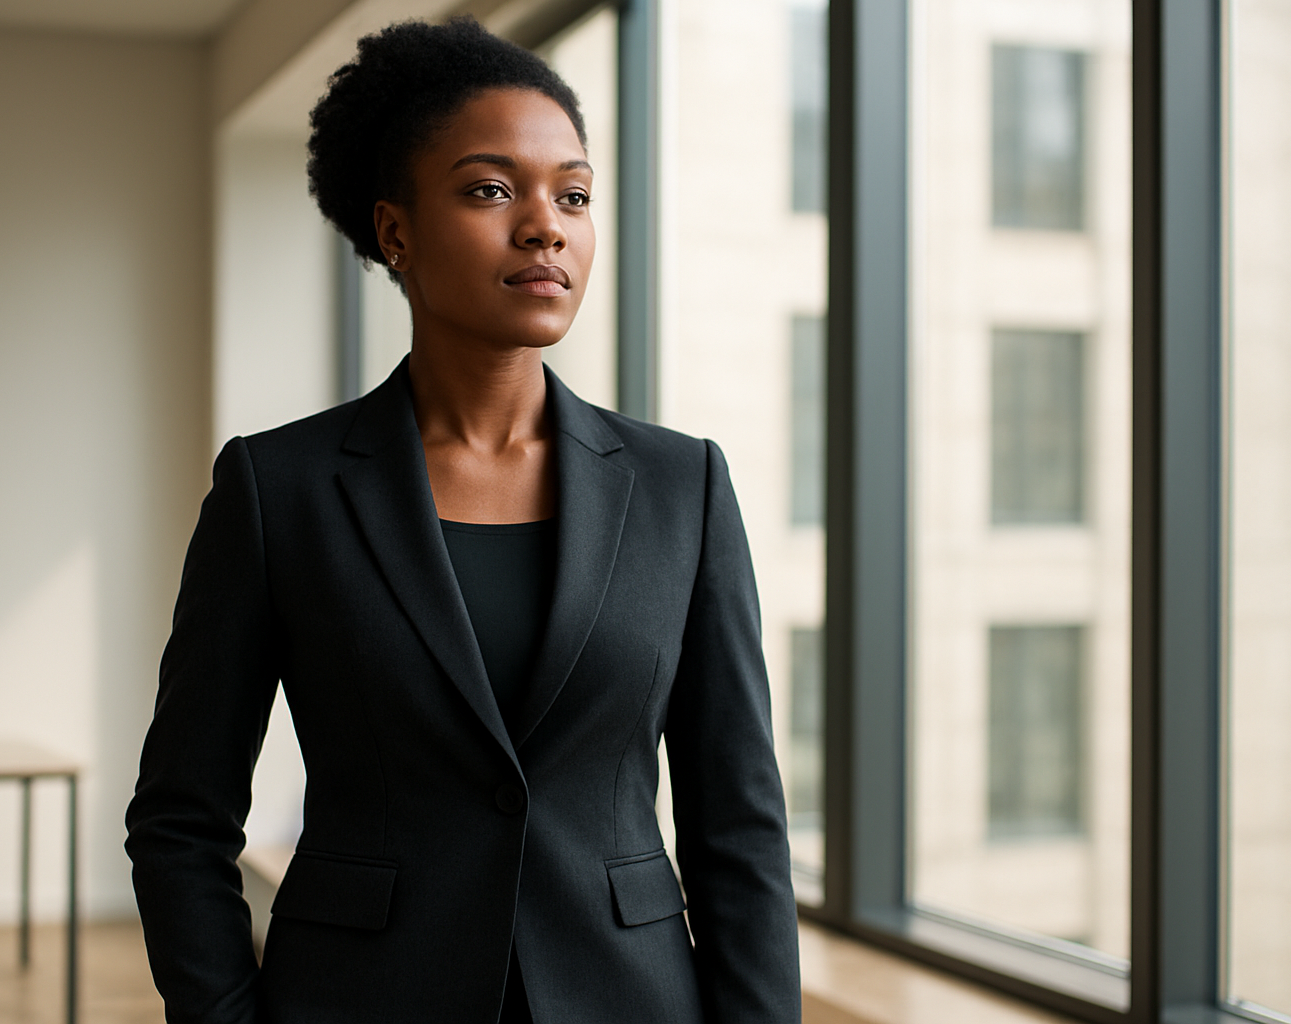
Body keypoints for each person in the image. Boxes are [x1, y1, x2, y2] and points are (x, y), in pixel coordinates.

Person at [125, 16, 800, 1024]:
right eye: (493, 190)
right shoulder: (281, 488)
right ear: (395, 231)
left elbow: (738, 825)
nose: (546, 225)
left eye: (573, 194)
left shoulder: (680, 485)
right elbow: (182, 817)